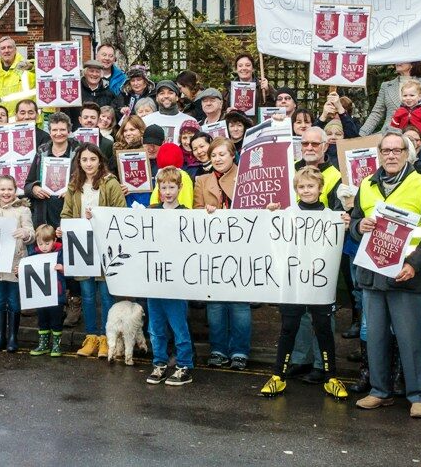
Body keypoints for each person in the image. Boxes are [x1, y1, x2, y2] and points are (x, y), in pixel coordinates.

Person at [349, 132, 421, 418]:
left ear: (407, 154)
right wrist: (359, 226)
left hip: (406, 273)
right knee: (376, 337)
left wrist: (415, 264)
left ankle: (419, 395)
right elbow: (355, 221)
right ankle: (379, 391)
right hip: (372, 273)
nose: (391, 155)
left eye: (397, 150)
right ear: (379, 154)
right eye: (386, 150)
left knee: (411, 338)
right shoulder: (366, 184)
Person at [260, 166, 351, 400]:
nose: (306, 190)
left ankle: (331, 376)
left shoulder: (333, 216)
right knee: (288, 328)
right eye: (301, 187)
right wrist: (269, 215)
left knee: (323, 330)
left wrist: (345, 223)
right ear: (296, 189)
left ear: (320, 188)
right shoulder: (288, 213)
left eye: (311, 186)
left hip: (320, 284)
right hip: (294, 285)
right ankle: (278, 375)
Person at [190, 136, 252, 368]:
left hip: (241, 247)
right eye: (213, 155)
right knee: (214, 303)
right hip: (212, 248)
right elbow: (196, 212)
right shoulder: (201, 180)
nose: (217, 158)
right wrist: (204, 212)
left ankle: (240, 351)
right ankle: (218, 349)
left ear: (232, 155)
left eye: (221, 154)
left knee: (239, 303)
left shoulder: (246, 177)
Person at [62, 145, 123, 357]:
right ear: (79, 162)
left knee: (106, 296)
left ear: (100, 160)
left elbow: (120, 214)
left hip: (105, 247)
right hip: (81, 247)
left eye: (92, 159)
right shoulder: (73, 186)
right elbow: (67, 213)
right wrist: (64, 227)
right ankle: (91, 337)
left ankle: (107, 339)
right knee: (87, 295)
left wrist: (96, 216)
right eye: (84, 159)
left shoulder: (111, 183)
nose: (88, 163)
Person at [144, 166, 197, 386]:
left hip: (176, 281)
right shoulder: (151, 211)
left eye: (171, 187)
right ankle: (159, 363)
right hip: (153, 280)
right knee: (155, 327)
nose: (167, 191)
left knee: (178, 325)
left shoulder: (186, 213)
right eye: (163, 187)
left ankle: (184, 365)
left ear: (179, 188)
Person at [0, 174, 34, 351]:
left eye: (10, 189)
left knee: (14, 301)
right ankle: (0, 336)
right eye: (2, 189)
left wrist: (25, 233)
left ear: (15, 190)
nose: (6, 192)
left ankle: (12, 338)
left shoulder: (23, 210)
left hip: (15, 261)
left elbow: (31, 232)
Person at [26, 113, 77, 229]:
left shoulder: (78, 152)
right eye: (54, 130)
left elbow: (88, 182)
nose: (58, 133)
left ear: (69, 131)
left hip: (70, 213)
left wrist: (73, 190)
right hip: (44, 215)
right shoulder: (41, 152)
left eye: (62, 130)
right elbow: (27, 184)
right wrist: (34, 189)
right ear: (49, 132)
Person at [27, 224, 68, 356]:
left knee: (56, 320)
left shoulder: (61, 253)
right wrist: (19, 272)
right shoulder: (33, 254)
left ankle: (56, 345)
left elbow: (71, 270)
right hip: (40, 295)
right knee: (42, 319)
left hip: (57, 294)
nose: (43, 247)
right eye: (40, 243)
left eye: (47, 243)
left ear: (54, 241)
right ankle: (43, 345)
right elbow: (28, 273)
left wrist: (62, 268)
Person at [362, 62, 421, 134]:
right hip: (388, 134)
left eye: (402, 59)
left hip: (417, 136)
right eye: (397, 59)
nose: (398, 61)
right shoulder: (386, 86)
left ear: (413, 63)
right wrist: (362, 133)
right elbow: (377, 113)